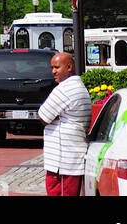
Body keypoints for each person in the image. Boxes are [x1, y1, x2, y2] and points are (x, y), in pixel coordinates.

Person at [37, 51, 91, 197]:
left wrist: (55, 117)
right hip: (70, 157)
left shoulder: (65, 89)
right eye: (52, 67)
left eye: (57, 67)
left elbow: (42, 116)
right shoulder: (79, 87)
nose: (53, 71)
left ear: (69, 67)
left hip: (62, 161)